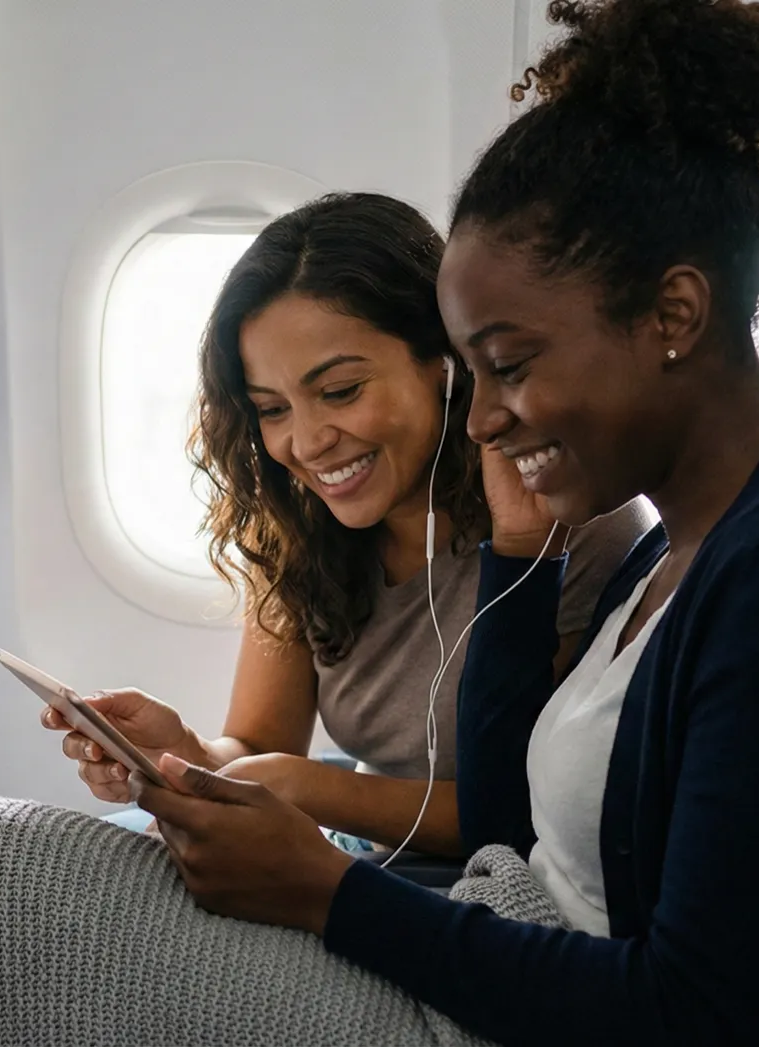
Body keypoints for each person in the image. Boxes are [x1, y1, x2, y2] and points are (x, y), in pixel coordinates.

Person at [0, 1, 759, 1044]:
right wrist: (515, 551)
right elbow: (514, 819)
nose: (490, 420)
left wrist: (330, 894)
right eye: (477, 377)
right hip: (482, 943)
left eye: (507, 367)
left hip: (493, 996)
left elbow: (696, 1015)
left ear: (673, 312)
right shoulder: (682, 545)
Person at [69, 193, 651, 856]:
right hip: (363, 845)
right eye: (272, 408)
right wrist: (185, 754)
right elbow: (259, 745)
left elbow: (517, 811)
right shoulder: (293, 527)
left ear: (445, 361)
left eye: (341, 391)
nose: (308, 442)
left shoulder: (565, 523)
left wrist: (307, 787)